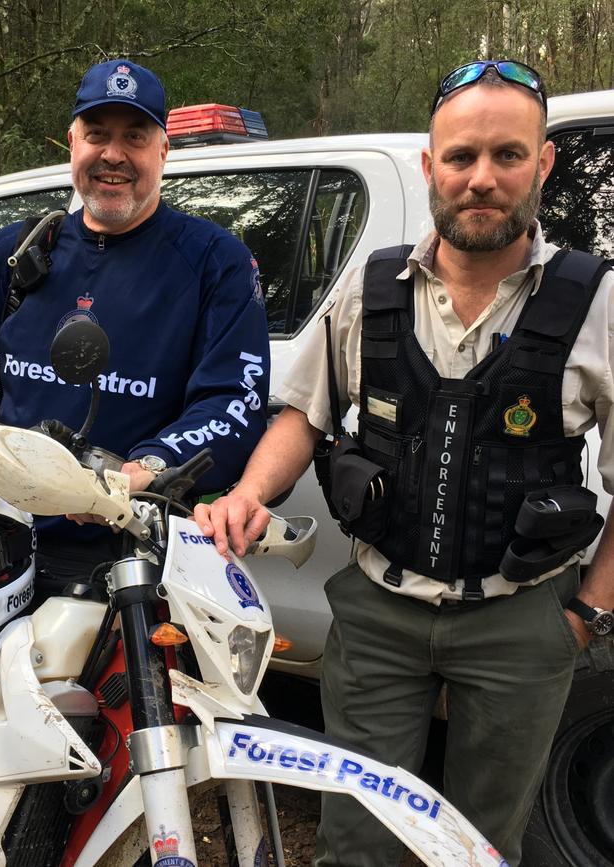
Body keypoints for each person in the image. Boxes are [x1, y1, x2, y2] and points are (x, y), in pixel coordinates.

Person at [194, 60, 614, 866]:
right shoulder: (373, 288)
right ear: (431, 166)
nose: (481, 179)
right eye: (460, 157)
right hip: (378, 615)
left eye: (507, 155)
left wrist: (585, 613)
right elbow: (302, 412)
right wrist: (248, 492)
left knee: (481, 845)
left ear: (542, 163)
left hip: (521, 618)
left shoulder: (595, 305)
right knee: (358, 840)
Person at [0, 58, 269, 581]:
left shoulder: (215, 262)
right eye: (97, 134)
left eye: (135, 136)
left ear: (163, 150)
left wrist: (142, 470)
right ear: (73, 142)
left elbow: (232, 403)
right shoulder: (12, 253)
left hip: (135, 553)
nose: (113, 154)